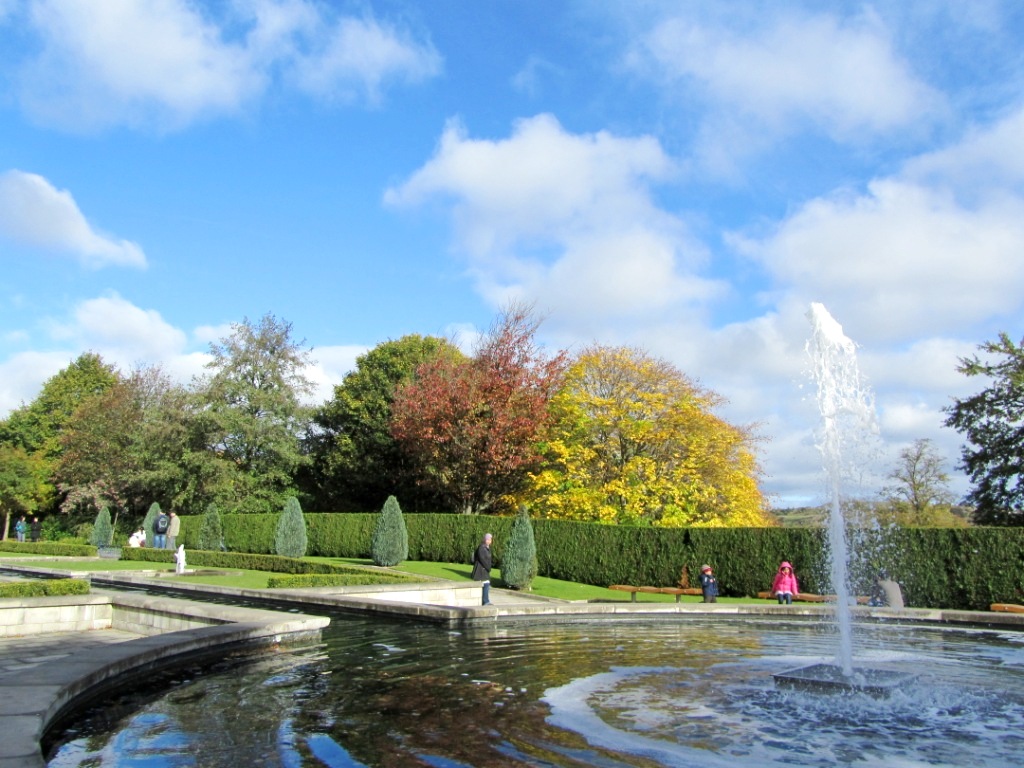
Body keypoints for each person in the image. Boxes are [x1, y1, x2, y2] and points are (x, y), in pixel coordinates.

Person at [471, 533, 493, 606]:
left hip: (484, 570)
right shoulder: (482, 547)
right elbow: (482, 559)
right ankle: (485, 601)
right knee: (486, 583)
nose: (489, 541)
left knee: (486, 583)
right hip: (481, 570)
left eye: (490, 539)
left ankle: (485, 600)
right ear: (485, 540)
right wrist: (488, 568)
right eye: (488, 539)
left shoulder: (486, 548)